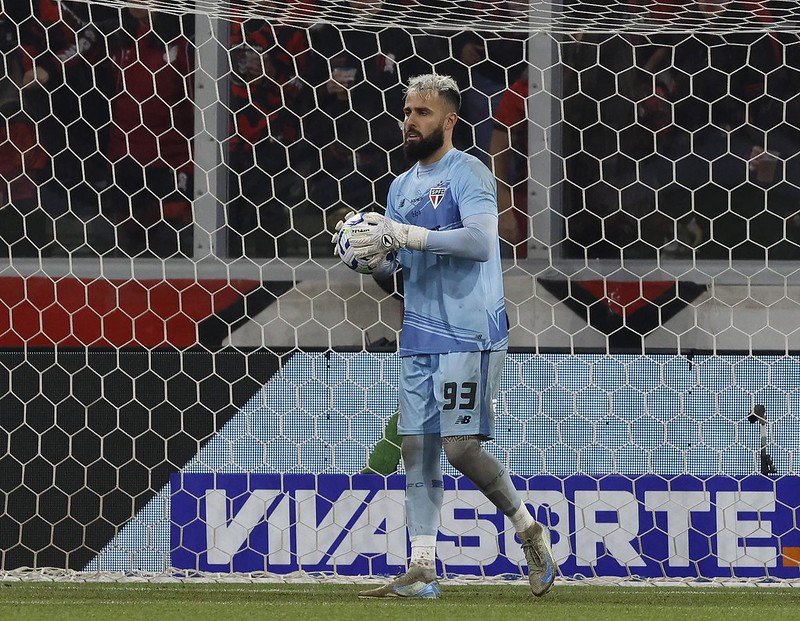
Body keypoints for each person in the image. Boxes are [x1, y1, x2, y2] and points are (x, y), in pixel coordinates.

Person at [334, 74, 556, 598]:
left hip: (470, 331)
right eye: (407, 112)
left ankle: (528, 529)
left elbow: (480, 242)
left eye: (422, 113)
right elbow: (400, 264)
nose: (410, 121)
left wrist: (405, 234)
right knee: (416, 448)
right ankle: (422, 568)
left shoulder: (469, 172)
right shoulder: (400, 187)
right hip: (419, 332)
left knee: (459, 450)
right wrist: (369, 254)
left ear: (449, 120)